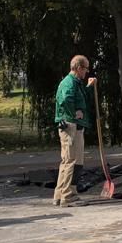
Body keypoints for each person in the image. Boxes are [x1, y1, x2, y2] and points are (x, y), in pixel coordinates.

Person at [53, 55, 95, 206]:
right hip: (71, 126)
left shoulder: (74, 82)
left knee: (67, 161)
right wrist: (74, 113)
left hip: (70, 125)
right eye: (85, 68)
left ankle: (59, 194)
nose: (87, 72)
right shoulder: (70, 83)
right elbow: (66, 100)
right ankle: (68, 196)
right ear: (79, 68)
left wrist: (89, 87)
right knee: (73, 161)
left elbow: (80, 98)